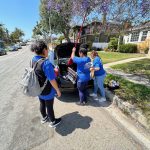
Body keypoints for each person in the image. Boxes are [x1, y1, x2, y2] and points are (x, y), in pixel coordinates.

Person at [31, 40, 61, 128]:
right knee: (49, 106)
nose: (48, 51)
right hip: (47, 90)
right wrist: (58, 90)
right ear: (44, 50)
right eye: (47, 49)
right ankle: (53, 121)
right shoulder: (46, 63)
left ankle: (44, 117)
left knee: (42, 103)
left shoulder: (33, 59)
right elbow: (52, 80)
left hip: (38, 88)